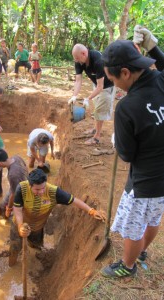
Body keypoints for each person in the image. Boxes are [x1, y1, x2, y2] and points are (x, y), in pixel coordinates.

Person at [100, 27, 164, 278]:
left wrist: (117, 140)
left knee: (133, 226)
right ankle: (142, 251)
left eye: (114, 80)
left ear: (125, 73)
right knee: (154, 218)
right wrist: (154, 48)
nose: (115, 85)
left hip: (144, 180)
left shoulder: (127, 108)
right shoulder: (160, 81)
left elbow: (126, 154)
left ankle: (128, 266)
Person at [9, 168, 106, 266]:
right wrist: (20, 226)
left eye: (43, 188)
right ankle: (11, 267)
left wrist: (91, 211)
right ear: (30, 186)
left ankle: (35, 264)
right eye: (37, 189)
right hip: (19, 223)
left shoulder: (53, 192)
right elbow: (17, 209)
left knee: (36, 246)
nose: (42, 191)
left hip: (37, 227)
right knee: (14, 248)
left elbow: (74, 200)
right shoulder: (21, 189)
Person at [69, 44, 115, 145]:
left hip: (106, 86)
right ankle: (95, 129)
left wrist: (88, 98)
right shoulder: (79, 61)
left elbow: (101, 86)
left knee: (100, 110)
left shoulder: (98, 60)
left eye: (77, 58)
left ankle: (97, 137)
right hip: (97, 85)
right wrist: (74, 96)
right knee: (96, 109)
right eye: (75, 59)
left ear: (84, 53)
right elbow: (78, 80)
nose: (76, 61)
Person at [0, 148, 28, 218]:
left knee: (2, 207)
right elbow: (26, 167)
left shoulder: (13, 175)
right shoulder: (16, 157)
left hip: (21, 191)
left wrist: (9, 208)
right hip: (25, 182)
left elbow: (14, 194)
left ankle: (6, 217)